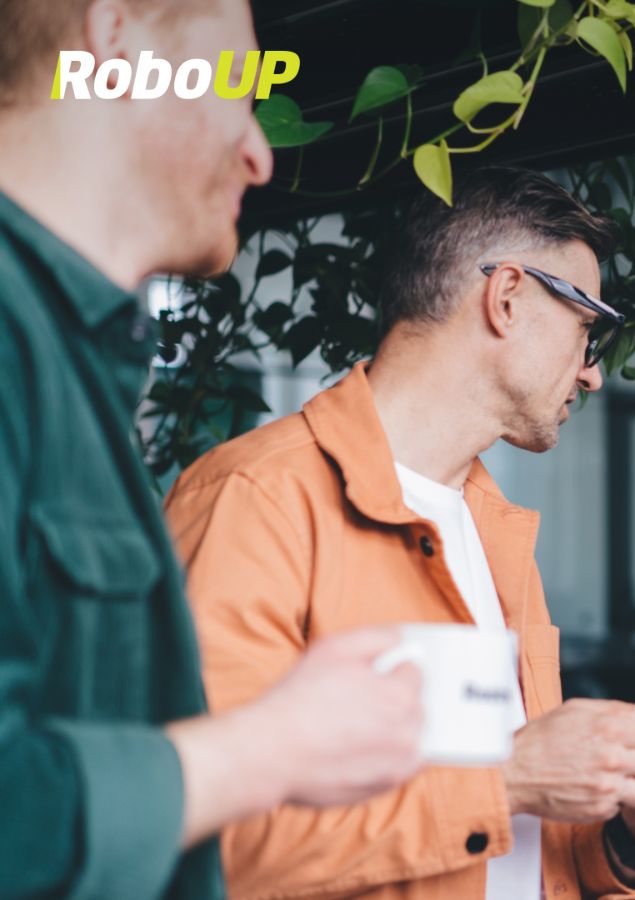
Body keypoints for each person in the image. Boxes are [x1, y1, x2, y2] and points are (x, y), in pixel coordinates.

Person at [164, 166, 635, 899]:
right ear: (507, 297)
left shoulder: (494, 528)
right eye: (587, 328)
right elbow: (206, 843)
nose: (592, 373)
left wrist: (632, 847)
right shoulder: (255, 498)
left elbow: (519, 849)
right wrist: (506, 779)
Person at [0, 1, 426, 897]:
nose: (260, 154)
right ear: (115, 39)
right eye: (242, 82)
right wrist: (272, 747)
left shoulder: (67, 358)